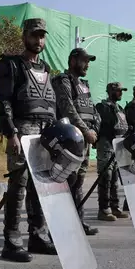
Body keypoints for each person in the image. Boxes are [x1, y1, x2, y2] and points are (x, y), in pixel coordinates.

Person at [0, 18, 58, 262]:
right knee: (18, 187)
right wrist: (11, 132)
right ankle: (11, 241)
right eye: (34, 35)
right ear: (25, 37)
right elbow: (4, 101)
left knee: (40, 187)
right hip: (22, 131)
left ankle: (38, 237)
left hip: (45, 134)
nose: (39, 40)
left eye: (42, 36)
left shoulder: (46, 69)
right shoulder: (12, 65)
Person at [51, 48, 100, 236]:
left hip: (85, 140)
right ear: (73, 61)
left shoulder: (84, 85)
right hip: (70, 140)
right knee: (67, 182)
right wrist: (86, 131)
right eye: (84, 60)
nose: (87, 64)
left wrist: (94, 129)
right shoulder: (62, 81)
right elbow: (68, 110)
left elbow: (92, 110)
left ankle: (78, 222)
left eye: (88, 61)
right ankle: (60, 227)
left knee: (78, 182)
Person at [95, 82, 130, 221]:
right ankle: (103, 209)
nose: (121, 93)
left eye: (122, 91)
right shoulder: (102, 107)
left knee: (115, 177)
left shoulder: (120, 108)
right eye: (118, 91)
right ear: (111, 91)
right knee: (106, 176)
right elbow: (104, 124)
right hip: (106, 145)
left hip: (118, 147)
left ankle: (115, 207)